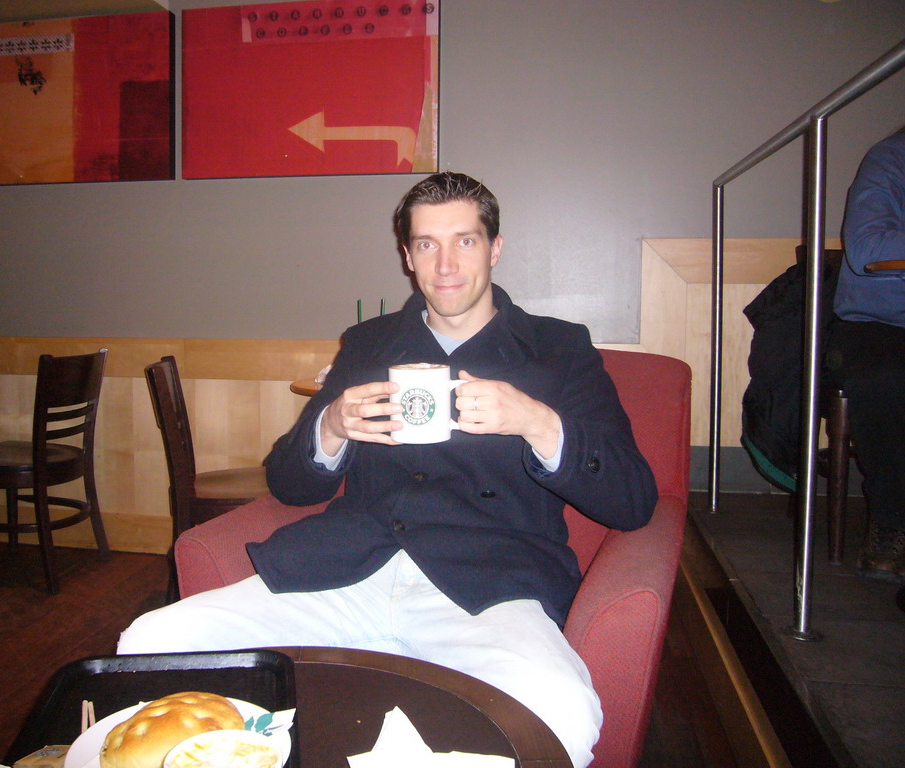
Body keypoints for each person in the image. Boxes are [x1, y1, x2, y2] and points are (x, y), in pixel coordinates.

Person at [117, 172, 658, 766]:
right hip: (345, 569)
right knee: (152, 642)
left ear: (496, 248)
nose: (446, 264)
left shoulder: (559, 350)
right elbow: (288, 486)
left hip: (490, 584)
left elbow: (633, 501)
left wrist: (536, 421)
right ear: (407, 256)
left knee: (563, 711)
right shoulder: (369, 344)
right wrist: (329, 427)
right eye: (427, 244)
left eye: (466, 241)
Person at [826, 128, 905, 582]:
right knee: (886, 379)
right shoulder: (890, 160)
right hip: (878, 322)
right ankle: (891, 519)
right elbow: (867, 248)